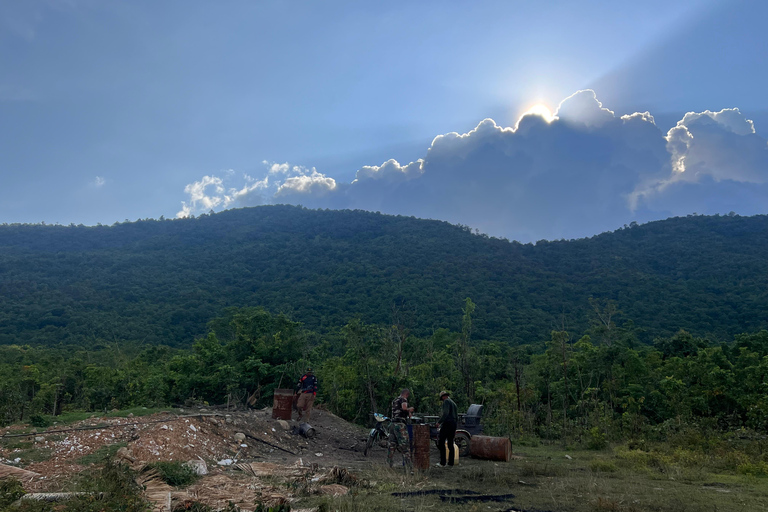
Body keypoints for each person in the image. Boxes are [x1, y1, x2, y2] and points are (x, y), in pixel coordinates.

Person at [387, 388, 414, 472]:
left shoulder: (395, 400)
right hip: (400, 425)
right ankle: (409, 468)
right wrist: (410, 409)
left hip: (392, 424)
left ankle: (388, 465)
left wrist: (407, 413)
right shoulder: (403, 399)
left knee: (392, 445)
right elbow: (404, 408)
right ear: (407, 394)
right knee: (405, 447)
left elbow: (400, 410)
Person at [436, 390, 458, 467]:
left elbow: (445, 413)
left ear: (443, 397)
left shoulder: (446, 402)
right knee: (450, 443)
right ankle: (451, 463)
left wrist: (439, 422)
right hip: (453, 424)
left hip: (447, 423)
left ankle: (443, 462)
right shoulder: (454, 403)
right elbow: (456, 416)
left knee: (441, 442)